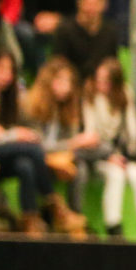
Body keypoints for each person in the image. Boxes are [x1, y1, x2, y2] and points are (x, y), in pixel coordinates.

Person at [0, 51, 84, 235]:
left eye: (10, 71)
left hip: (0, 152)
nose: (6, 75)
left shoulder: (6, 96)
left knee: (25, 166)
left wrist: (6, 135)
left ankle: (30, 221)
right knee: (33, 148)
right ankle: (56, 207)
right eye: (1, 68)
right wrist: (11, 135)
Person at [81, 57, 136, 239]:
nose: (101, 84)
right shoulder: (90, 95)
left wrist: (125, 156)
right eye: (98, 79)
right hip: (97, 158)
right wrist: (109, 156)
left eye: (106, 81)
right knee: (116, 175)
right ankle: (113, 228)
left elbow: (133, 135)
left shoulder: (125, 95)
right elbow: (90, 137)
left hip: (121, 156)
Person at [20, 55, 99, 191]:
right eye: (60, 80)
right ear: (48, 80)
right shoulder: (31, 105)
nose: (66, 87)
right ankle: (47, 208)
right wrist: (74, 143)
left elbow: (70, 141)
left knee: (81, 165)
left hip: (61, 156)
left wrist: (78, 143)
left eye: (69, 81)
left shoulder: (68, 108)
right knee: (30, 166)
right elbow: (40, 147)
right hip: (37, 157)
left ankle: (74, 212)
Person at [51, 0, 120, 81]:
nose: (92, 7)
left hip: (101, 86)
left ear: (105, 4)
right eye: (87, 1)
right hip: (72, 86)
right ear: (79, 2)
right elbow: (58, 66)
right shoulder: (65, 30)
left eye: (97, 1)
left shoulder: (110, 31)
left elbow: (112, 65)